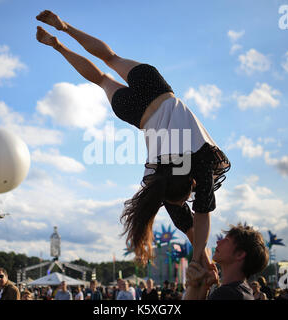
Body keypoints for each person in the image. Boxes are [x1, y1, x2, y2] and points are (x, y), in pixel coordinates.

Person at [35, 10, 231, 273]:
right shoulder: (158, 177)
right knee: (102, 80)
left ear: (190, 180)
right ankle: (57, 46)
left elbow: (203, 217)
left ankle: (64, 27)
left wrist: (202, 260)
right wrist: (201, 260)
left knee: (110, 58)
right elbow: (195, 223)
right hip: (137, 115)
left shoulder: (199, 162)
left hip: (158, 91)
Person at [184, 223, 269, 300]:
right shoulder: (243, 291)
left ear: (239, 254)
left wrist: (193, 285)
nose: (218, 242)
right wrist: (205, 287)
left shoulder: (227, 294)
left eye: (226, 240)